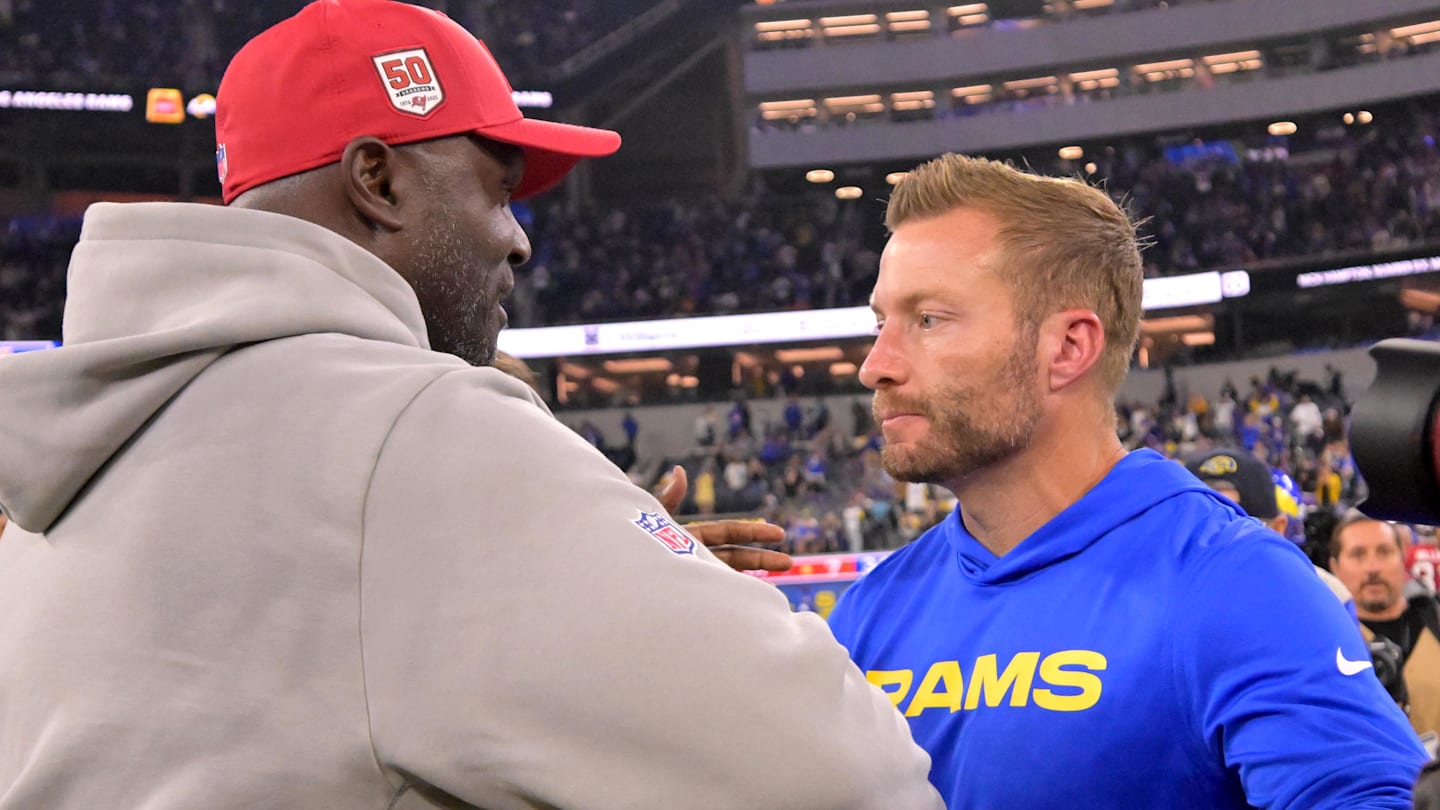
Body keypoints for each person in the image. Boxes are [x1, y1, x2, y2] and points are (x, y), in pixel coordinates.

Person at [0, 2, 942, 808]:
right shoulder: (418, 435)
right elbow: (852, 777)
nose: (519, 242)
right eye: (498, 191)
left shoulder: (68, 484)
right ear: (379, 180)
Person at [825, 153, 1426, 809]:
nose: (875, 366)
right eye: (880, 323)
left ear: (1068, 348)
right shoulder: (870, 610)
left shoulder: (1234, 585)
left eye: (928, 320)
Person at [1186, 448, 1357, 620]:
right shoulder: (1166, 596)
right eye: (1200, 527)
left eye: (1236, 527)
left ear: (1277, 528)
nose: (1216, 542)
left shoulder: (1324, 597)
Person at [1329, 510, 1440, 749]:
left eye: (1384, 552)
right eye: (1358, 554)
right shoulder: (1325, 640)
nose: (1373, 567)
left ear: (1403, 558)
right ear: (1335, 567)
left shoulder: (1434, 622)